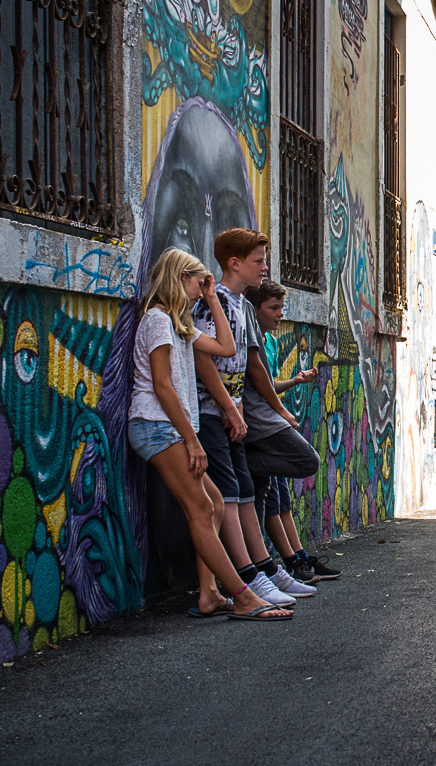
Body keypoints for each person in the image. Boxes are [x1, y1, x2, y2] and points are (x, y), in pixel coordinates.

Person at [126, 247, 290, 621]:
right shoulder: (155, 320)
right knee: (201, 507)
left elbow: (226, 347)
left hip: (172, 428)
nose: (202, 292)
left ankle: (209, 593)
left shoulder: (179, 323)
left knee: (213, 505)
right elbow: (162, 386)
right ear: (179, 278)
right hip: (157, 426)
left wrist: (214, 297)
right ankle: (244, 596)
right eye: (198, 284)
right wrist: (192, 440)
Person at [193, 228, 305, 606]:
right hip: (212, 414)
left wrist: (237, 405)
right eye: (257, 261)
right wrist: (228, 405)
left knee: (242, 489)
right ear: (234, 263)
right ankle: (247, 576)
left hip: (230, 413)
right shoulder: (217, 303)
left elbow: (243, 363)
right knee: (229, 491)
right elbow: (204, 358)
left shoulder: (239, 304)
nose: (264, 267)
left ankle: (264, 569)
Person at [247, 279, 340, 583]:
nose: (279, 314)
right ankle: (281, 563)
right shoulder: (250, 339)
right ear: (255, 309)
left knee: (277, 497)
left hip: (268, 423)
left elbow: (268, 383)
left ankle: (294, 558)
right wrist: (282, 411)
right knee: (306, 462)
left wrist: (296, 381)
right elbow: (259, 384)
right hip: (261, 426)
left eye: (282, 307)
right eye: (273, 308)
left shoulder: (269, 342)